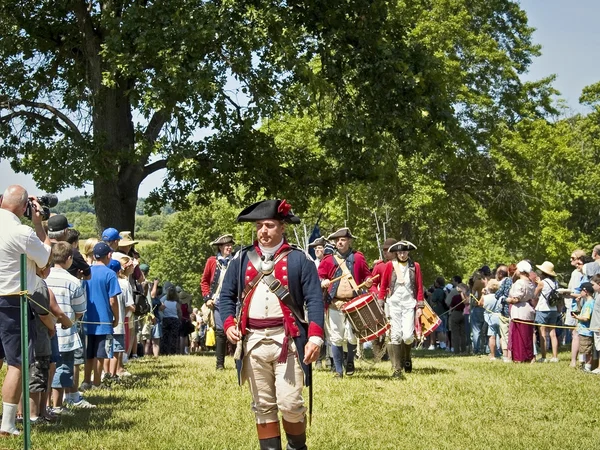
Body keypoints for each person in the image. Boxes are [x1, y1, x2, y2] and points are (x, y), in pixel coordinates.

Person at [220, 199, 324, 450]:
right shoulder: (242, 259)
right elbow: (226, 296)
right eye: (259, 226)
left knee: (290, 403)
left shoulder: (300, 260)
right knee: (263, 405)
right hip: (253, 341)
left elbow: (314, 299)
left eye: (269, 225)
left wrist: (315, 337)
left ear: (282, 228)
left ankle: (297, 447)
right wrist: (228, 323)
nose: (263, 231)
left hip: (287, 340)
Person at [0, 185, 52, 436]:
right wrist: (39, 224)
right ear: (23, 208)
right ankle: (8, 424)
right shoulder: (22, 231)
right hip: (12, 301)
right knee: (18, 363)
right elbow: (45, 261)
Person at [318, 227, 372, 378]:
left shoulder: (359, 258)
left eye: (342, 240)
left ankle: (349, 360)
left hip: (354, 303)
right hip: (335, 303)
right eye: (337, 240)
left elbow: (367, 276)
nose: (339, 242)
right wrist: (323, 281)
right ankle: (338, 370)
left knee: (352, 337)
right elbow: (319, 276)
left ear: (349, 241)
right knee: (336, 337)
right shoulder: (328, 260)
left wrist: (368, 282)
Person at [45, 242, 91, 411]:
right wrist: (72, 319)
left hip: (44, 330)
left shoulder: (43, 277)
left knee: (46, 368)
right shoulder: (73, 281)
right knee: (63, 368)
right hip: (65, 332)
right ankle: (57, 405)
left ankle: (45, 405)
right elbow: (80, 309)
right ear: (69, 259)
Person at [378, 240, 424, 378]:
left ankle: (407, 357)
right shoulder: (389, 266)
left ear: (408, 252)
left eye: (404, 252)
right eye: (400, 252)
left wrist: (420, 306)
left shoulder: (415, 266)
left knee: (408, 337)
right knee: (395, 335)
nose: (402, 255)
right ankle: (397, 369)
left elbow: (419, 287)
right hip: (394, 304)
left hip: (409, 304)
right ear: (396, 253)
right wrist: (381, 302)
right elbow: (384, 283)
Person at [80, 242, 120, 390]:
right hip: (104, 320)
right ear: (108, 255)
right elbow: (112, 300)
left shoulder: (87, 272)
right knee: (100, 353)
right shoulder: (110, 274)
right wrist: (116, 317)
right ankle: (97, 382)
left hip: (88, 319)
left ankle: (85, 381)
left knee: (89, 353)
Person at [201, 234, 235, 369]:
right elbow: (204, 281)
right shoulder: (211, 261)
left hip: (234, 300)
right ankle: (220, 364)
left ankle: (239, 362)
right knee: (221, 332)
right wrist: (207, 298)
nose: (229, 247)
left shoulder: (236, 261)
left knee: (237, 330)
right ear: (220, 247)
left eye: (231, 245)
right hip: (218, 301)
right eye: (226, 245)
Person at [371, 238, 397, 361]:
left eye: (388, 250)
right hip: (384, 300)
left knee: (395, 329)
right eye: (384, 250)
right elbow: (371, 283)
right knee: (380, 328)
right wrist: (377, 294)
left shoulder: (405, 264)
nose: (385, 252)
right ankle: (379, 355)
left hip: (399, 301)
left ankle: (395, 356)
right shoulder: (380, 266)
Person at [506, 261, 536, 363]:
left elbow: (516, 299)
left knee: (518, 335)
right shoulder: (530, 283)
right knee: (527, 336)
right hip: (528, 310)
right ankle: (528, 356)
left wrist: (506, 299)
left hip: (519, 311)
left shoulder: (520, 282)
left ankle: (519, 357)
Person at [533, 261, 559, 363]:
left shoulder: (542, 283)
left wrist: (538, 284)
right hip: (553, 309)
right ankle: (555, 356)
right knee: (553, 333)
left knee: (542, 333)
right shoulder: (555, 283)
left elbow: (535, 294)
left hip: (543, 309)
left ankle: (544, 357)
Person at [573, 282, 595, 371]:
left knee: (587, 351)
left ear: (585, 291)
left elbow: (586, 318)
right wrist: (578, 303)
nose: (580, 293)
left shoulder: (589, 303)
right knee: (584, 349)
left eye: (581, 290)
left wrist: (577, 317)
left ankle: (587, 367)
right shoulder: (587, 302)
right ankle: (584, 366)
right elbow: (581, 311)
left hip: (586, 331)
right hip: (583, 331)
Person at [494, 265, 513, 362]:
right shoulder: (515, 281)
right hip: (514, 310)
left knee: (505, 334)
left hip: (505, 310)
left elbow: (498, 294)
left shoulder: (506, 281)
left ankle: (506, 355)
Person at [479, 279, 501, 361]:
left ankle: (492, 355)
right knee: (502, 337)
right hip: (499, 317)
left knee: (492, 337)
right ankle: (505, 355)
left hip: (490, 319)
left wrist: (482, 294)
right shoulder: (500, 297)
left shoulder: (486, 297)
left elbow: (480, 304)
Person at [428, 277, 448, 350]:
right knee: (444, 329)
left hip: (439, 312)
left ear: (438, 283)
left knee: (439, 329)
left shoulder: (438, 291)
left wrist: (431, 295)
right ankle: (444, 344)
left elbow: (433, 299)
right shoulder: (445, 290)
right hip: (444, 311)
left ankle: (442, 344)